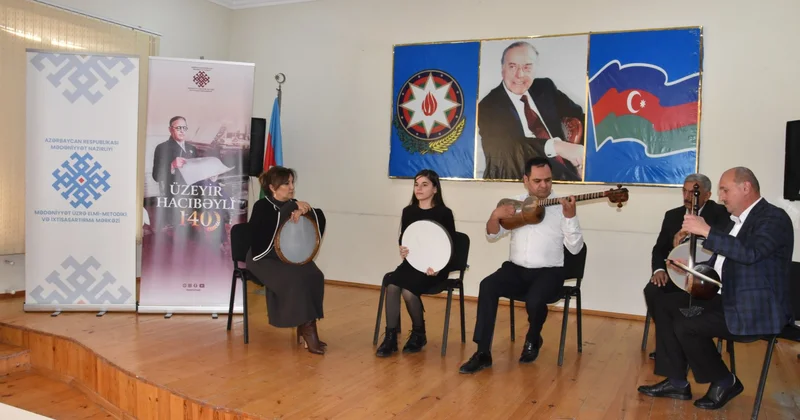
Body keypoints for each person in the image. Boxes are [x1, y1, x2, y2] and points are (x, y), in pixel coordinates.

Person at [637, 167, 795, 410]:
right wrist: (688, 268)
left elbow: (750, 254)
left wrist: (706, 230)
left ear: (746, 187)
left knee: (687, 324)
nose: (721, 197)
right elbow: (722, 261)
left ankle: (724, 380)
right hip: (728, 296)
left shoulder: (773, 218)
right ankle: (677, 381)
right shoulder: (737, 221)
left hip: (753, 307)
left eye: (725, 190)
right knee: (665, 303)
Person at [459, 157, 584, 374]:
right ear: (525, 180)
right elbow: (492, 234)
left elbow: (575, 249)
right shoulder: (514, 203)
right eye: (537, 181)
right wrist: (495, 216)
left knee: (535, 300)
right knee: (487, 285)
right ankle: (482, 352)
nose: (543, 185)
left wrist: (570, 218)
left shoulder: (562, 206)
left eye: (548, 180)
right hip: (515, 270)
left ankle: (533, 337)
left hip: (550, 272)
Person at [644, 174, 730, 359]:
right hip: (676, 273)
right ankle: (670, 344)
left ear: (707, 195)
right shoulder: (672, 215)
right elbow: (659, 249)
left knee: (689, 299)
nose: (687, 196)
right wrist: (659, 270)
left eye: (693, 192)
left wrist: (695, 233)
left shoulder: (721, 214)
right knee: (653, 291)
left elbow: (724, 244)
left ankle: (690, 343)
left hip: (704, 277)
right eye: (684, 191)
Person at [246, 166, 328, 355]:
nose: (291, 187)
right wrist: (293, 208)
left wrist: (305, 211)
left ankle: (305, 326)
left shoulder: (294, 203)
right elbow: (267, 232)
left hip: (286, 257)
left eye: (292, 182)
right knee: (295, 279)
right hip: (263, 258)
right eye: (286, 183)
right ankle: (309, 332)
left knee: (314, 275)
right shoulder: (262, 206)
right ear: (272, 187)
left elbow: (318, 218)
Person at [376, 169, 457, 357]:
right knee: (392, 285)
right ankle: (391, 337)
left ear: (435, 189)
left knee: (408, 291)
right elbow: (405, 238)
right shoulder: (409, 211)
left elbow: (450, 246)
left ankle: (419, 333)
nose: (419, 189)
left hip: (434, 267)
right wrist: (403, 249)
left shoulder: (444, 213)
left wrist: (439, 268)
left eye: (424, 185)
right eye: (416, 184)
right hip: (413, 264)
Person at [478, 41, 585, 181]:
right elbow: (508, 149)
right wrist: (557, 147)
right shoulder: (488, 106)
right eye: (512, 67)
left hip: (567, 172)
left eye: (527, 67)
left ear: (535, 68)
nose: (519, 74)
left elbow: (579, 117)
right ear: (502, 69)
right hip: (525, 178)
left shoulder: (545, 87)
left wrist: (583, 158)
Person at [152, 116, 198, 195]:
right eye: (178, 128)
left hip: (192, 192)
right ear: (170, 129)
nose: (182, 131)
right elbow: (156, 176)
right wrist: (172, 166)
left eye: (184, 128)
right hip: (173, 193)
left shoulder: (192, 148)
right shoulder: (162, 148)